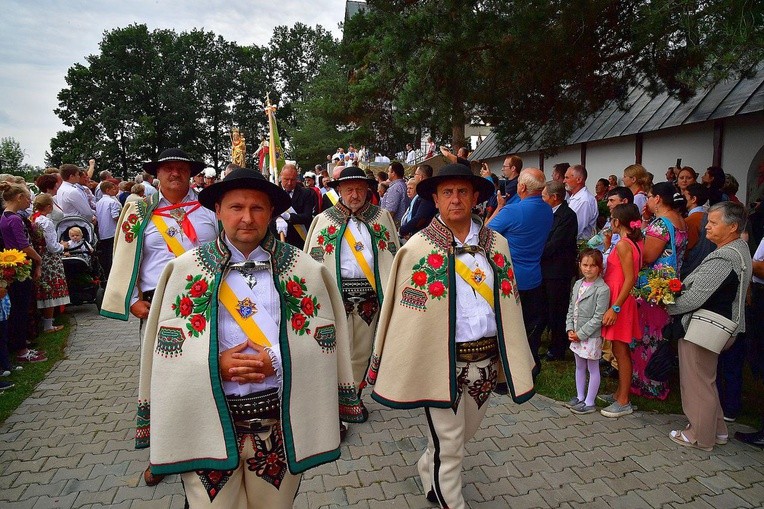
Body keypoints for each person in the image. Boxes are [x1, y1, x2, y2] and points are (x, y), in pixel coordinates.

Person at [138, 168, 363, 508]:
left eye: (257, 208)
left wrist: (275, 358)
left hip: (278, 429)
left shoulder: (305, 270)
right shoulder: (184, 271)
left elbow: (325, 343)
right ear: (218, 210)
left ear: (271, 212)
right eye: (236, 207)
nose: (246, 218)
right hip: (208, 422)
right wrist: (214, 365)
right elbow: (166, 352)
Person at [366, 164, 535, 509]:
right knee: (452, 443)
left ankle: (428, 465)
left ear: (475, 197)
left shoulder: (497, 244)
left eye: (462, 192)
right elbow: (403, 316)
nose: (455, 199)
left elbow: (510, 304)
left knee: (460, 437)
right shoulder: (416, 249)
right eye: (447, 193)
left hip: (485, 362)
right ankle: (451, 501)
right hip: (440, 363)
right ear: (436, 199)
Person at [100, 147, 219, 486]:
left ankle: (205, 445)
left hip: (208, 303)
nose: (175, 175)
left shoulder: (209, 208)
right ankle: (161, 456)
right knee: (160, 380)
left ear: (190, 173)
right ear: (157, 174)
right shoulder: (139, 211)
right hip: (158, 306)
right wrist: (133, 298)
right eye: (168, 169)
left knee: (205, 375)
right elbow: (123, 256)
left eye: (181, 169)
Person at [304, 166, 400, 421]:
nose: (355, 195)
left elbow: (393, 257)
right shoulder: (323, 220)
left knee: (362, 351)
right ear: (339, 191)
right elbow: (312, 264)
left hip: (370, 297)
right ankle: (333, 400)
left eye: (359, 189)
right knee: (334, 350)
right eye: (349, 190)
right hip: (336, 297)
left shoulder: (382, 218)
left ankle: (354, 397)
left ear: (367, 190)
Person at [667, 202, 752, 451]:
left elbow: (696, 297)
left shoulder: (724, 256)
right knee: (707, 380)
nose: (707, 226)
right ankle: (718, 431)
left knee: (696, 383)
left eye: (714, 222)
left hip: (706, 327)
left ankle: (699, 436)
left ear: (733, 227)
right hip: (720, 325)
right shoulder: (739, 248)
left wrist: (668, 305)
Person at [487, 168, 553, 373]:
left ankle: (508, 373)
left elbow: (484, 233)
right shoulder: (547, 209)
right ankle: (529, 366)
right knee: (528, 328)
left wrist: (498, 207)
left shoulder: (512, 211)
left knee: (507, 328)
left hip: (510, 278)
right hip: (534, 277)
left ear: (521, 187)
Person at [634, 182, 688, 400]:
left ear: (657, 198)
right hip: (670, 284)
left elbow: (647, 257)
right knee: (661, 334)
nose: (646, 200)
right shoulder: (679, 220)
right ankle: (658, 379)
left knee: (649, 335)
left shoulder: (661, 225)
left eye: (648, 196)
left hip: (655, 288)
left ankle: (648, 383)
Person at [599, 204, 643, 417]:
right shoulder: (630, 242)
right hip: (619, 298)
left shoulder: (625, 244)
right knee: (619, 349)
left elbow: (630, 278)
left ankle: (624, 399)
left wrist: (615, 307)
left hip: (621, 301)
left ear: (617, 222)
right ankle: (619, 393)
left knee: (621, 351)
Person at [0, 183, 46, 363]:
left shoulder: (5, 217)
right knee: (21, 308)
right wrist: (38, 260)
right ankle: (21, 350)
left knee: (18, 308)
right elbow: (23, 245)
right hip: (20, 265)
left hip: (13, 263)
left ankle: (20, 346)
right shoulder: (15, 219)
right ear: (19, 198)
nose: (29, 201)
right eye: (27, 198)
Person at [563, 249, 610, 415]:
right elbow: (571, 307)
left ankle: (590, 402)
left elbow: (598, 317)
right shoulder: (578, 284)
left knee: (593, 367)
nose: (588, 269)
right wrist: (570, 328)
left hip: (590, 337)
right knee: (579, 365)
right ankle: (580, 396)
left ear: (599, 268)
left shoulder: (602, 289)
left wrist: (581, 334)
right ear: (580, 265)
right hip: (575, 334)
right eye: (585, 265)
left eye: (592, 266)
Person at [541, 180, 579, 361]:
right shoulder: (548, 212)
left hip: (558, 271)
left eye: (544, 196)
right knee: (546, 307)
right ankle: (549, 341)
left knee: (557, 308)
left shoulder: (567, 216)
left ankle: (558, 347)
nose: (542, 199)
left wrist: (534, 251)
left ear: (554, 197)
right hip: (546, 268)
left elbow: (555, 244)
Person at [31, 194, 70, 332]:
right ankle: (48, 324)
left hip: (41, 256)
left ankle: (45, 321)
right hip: (50, 259)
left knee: (44, 288)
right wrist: (63, 246)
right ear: (49, 206)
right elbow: (52, 246)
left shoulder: (34, 218)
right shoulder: (46, 222)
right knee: (51, 289)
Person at [272, 163, 315, 249]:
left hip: (299, 241)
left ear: (297, 178)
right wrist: (278, 218)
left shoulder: (306, 193)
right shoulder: (273, 192)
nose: (289, 183)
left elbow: (307, 216)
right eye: (286, 179)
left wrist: (288, 217)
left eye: (293, 180)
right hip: (277, 241)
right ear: (281, 177)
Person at [682, 183, 714, 278]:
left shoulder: (691, 220)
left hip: (692, 269)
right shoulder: (709, 217)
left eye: (685, 196)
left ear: (693, 199)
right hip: (707, 267)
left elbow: (685, 249)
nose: (682, 199)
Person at [399, 164, 436, 239]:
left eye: (415, 174)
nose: (414, 177)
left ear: (420, 177)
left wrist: (402, 230)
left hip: (423, 237)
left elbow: (420, 218)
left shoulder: (427, 193)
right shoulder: (423, 192)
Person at [95, 180, 122, 282]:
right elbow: (115, 216)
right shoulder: (112, 202)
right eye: (113, 189)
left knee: (106, 256)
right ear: (107, 190)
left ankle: (107, 275)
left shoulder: (98, 203)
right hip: (112, 231)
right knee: (112, 254)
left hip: (103, 232)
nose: (115, 190)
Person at [564, 164, 598, 241]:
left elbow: (576, 228)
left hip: (579, 244)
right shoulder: (575, 196)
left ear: (579, 180)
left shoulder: (584, 200)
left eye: (567, 178)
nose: (564, 181)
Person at [379, 162, 409, 227]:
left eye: (389, 171)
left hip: (394, 226)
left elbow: (390, 211)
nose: (388, 173)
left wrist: (383, 226)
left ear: (393, 173)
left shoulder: (395, 188)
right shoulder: (403, 185)